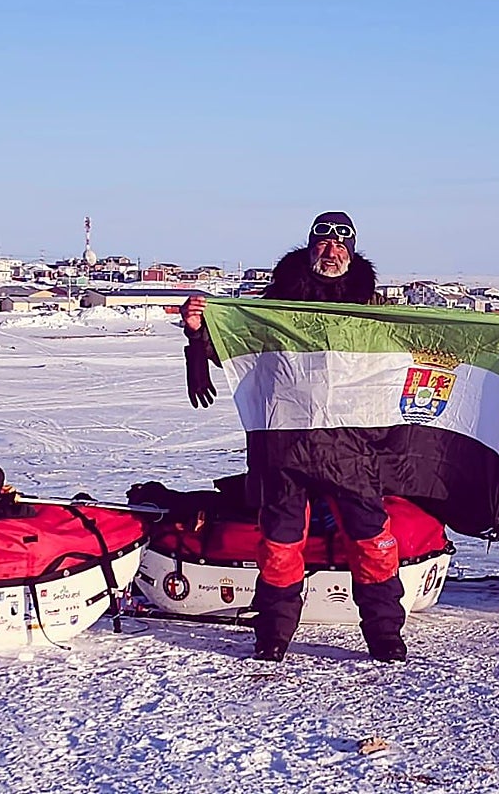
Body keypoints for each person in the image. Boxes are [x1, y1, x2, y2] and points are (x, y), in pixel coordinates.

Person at [180, 211, 407, 663]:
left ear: (353, 252)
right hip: (285, 449)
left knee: (374, 545)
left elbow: (428, 348)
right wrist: (199, 334)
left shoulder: (373, 309)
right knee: (280, 548)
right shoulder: (272, 306)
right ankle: (274, 635)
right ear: (310, 248)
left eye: (342, 244)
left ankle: (384, 636)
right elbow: (236, 348)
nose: (332, 250)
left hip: (352, 449)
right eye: (324, 242)